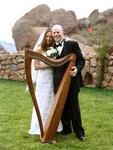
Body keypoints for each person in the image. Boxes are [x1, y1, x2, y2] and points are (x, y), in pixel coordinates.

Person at [52, 24, 85, 141]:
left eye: (58, 32)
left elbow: (81, 60)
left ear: (62, 32)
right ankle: (66, 129)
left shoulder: (72, 44)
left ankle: (79, 132)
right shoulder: (51, 48)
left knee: (74, 107)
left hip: (72, 81)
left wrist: (77, 69)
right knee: (62, 107)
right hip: (57, 81)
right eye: (54, 32)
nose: (56, 34)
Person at [28, 28, 62, 135]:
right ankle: (38, 127)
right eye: (47, 36)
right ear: (43, 37)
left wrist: (52, 63)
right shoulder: (38, 49)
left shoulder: (53, 49)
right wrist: (49, 64)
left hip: (51, 78)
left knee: (51, 101)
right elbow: (36, 67)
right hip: (43, 79)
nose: (48, 38)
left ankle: (52, 126)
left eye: (50, 36)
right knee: (41, 101)